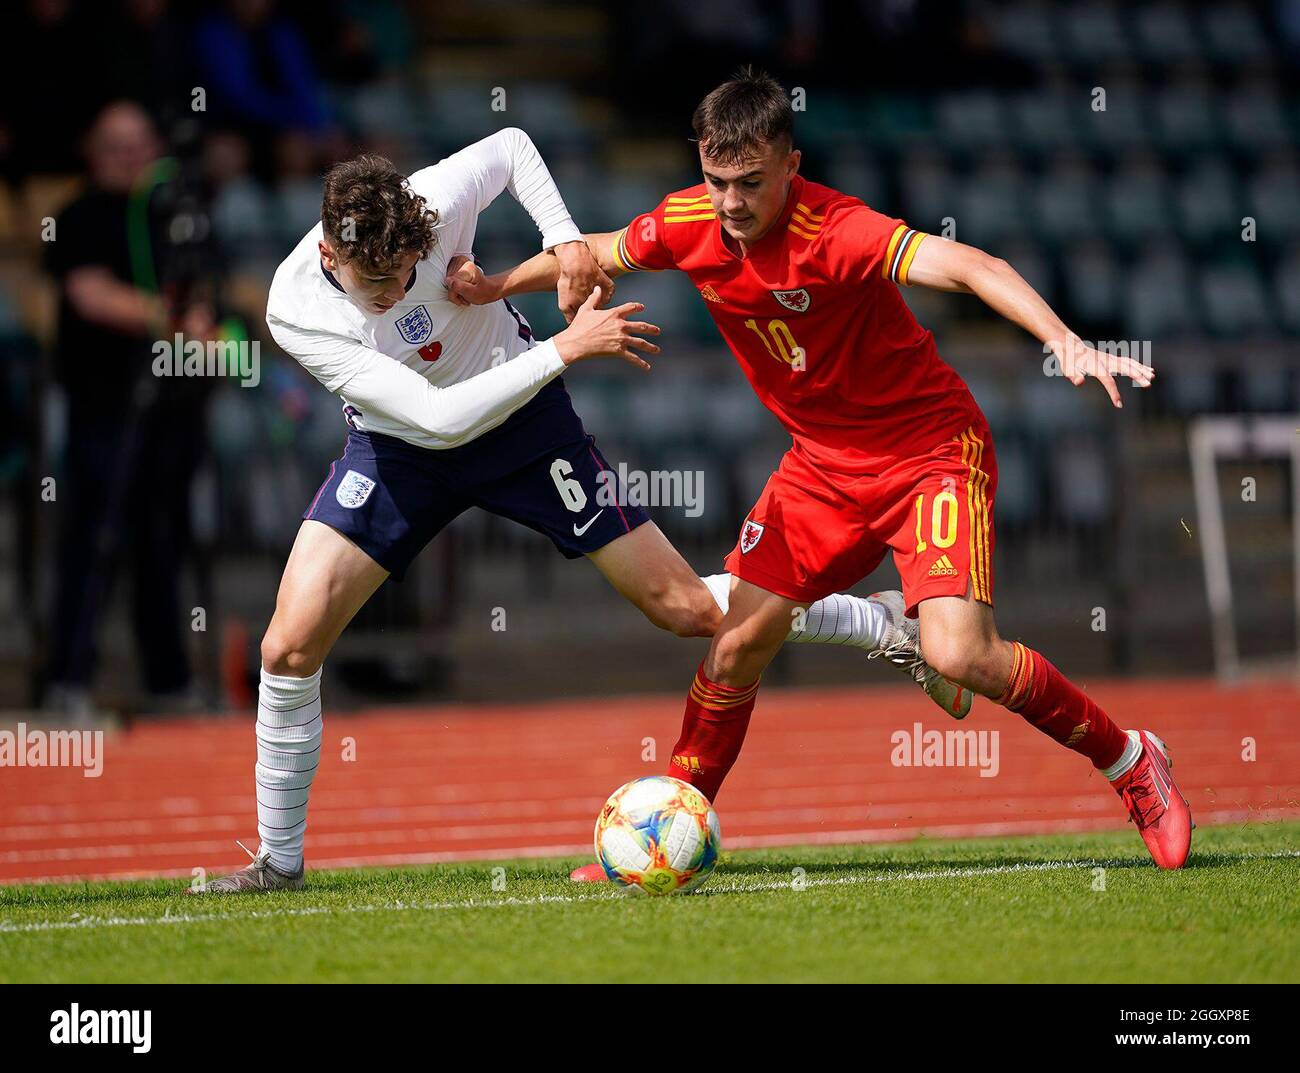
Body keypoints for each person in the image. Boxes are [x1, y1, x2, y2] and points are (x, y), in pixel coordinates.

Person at [194, 127, 962, 893]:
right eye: (380, 288)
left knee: (687, 607)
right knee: (287, 647)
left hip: (527, 428)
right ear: (332, 257)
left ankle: (882, 624)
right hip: (402, 450)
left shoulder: (429, 198)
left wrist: (564, 242)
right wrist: (566, 347)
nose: (399, 295)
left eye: (408, 274)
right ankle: (278, 861)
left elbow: (513, 145)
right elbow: (435, 419)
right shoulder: (297, 308)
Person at [461, 71, 1192, 874]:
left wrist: (1064, 342)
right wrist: (494, 285)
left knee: (961, 657)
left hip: (929, 453)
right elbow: (595, 249)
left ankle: (1131, 760)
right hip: (821, 468)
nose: (730, 202)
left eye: (750, 183)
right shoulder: (688, 220)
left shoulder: (837, 229)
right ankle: (657, 832)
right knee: (736, 644)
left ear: (790, 165)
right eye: (716, 180)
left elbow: (972, 264)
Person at [44, 100, 212, 717]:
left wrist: (205, 329)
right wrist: (169, 322)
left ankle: (168, 680)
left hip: (170, 407)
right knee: (94, 538)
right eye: (117, 145)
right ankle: (67, 677)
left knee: (161, 541)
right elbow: (90, 294)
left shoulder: (178, 215)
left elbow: (206, 294)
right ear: (92, 150)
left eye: (141, 144)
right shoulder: (79, 216)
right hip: (103, 405)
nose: (133, 157)